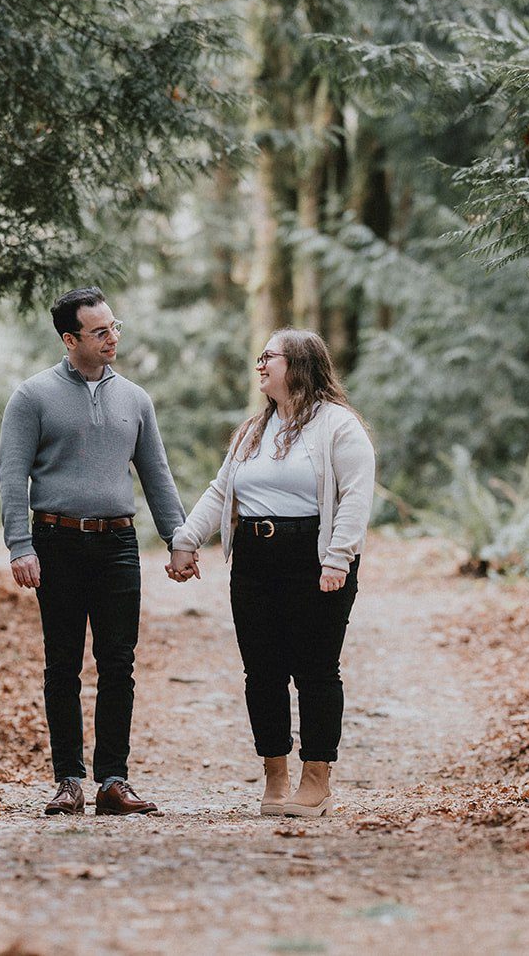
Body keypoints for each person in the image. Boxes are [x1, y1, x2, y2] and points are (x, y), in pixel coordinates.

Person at [165, 329, 376, 818]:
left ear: (299, 364)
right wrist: (185, 540)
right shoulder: (252, 432)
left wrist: (338, 558)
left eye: (269, 357)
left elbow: (355, 496)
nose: (259, 365)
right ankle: (275, 775)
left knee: (316, 669)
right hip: (255, 560)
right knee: (262, 672)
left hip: (314, 555)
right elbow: (222, 492)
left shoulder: (338, 427)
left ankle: (317, 779)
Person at [0, 287, 187, 816]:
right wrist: (20, 545)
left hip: (118, 543)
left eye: (114, 327)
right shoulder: (31, 397)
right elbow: (11, 477)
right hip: (55, 541)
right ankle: (68, 780)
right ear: (70, 338)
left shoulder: (135, 398)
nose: (113, 338)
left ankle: (113, 781)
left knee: (118, 663)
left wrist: (178, 541)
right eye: (100, 331)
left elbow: (157, 475)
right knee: (61, 665)